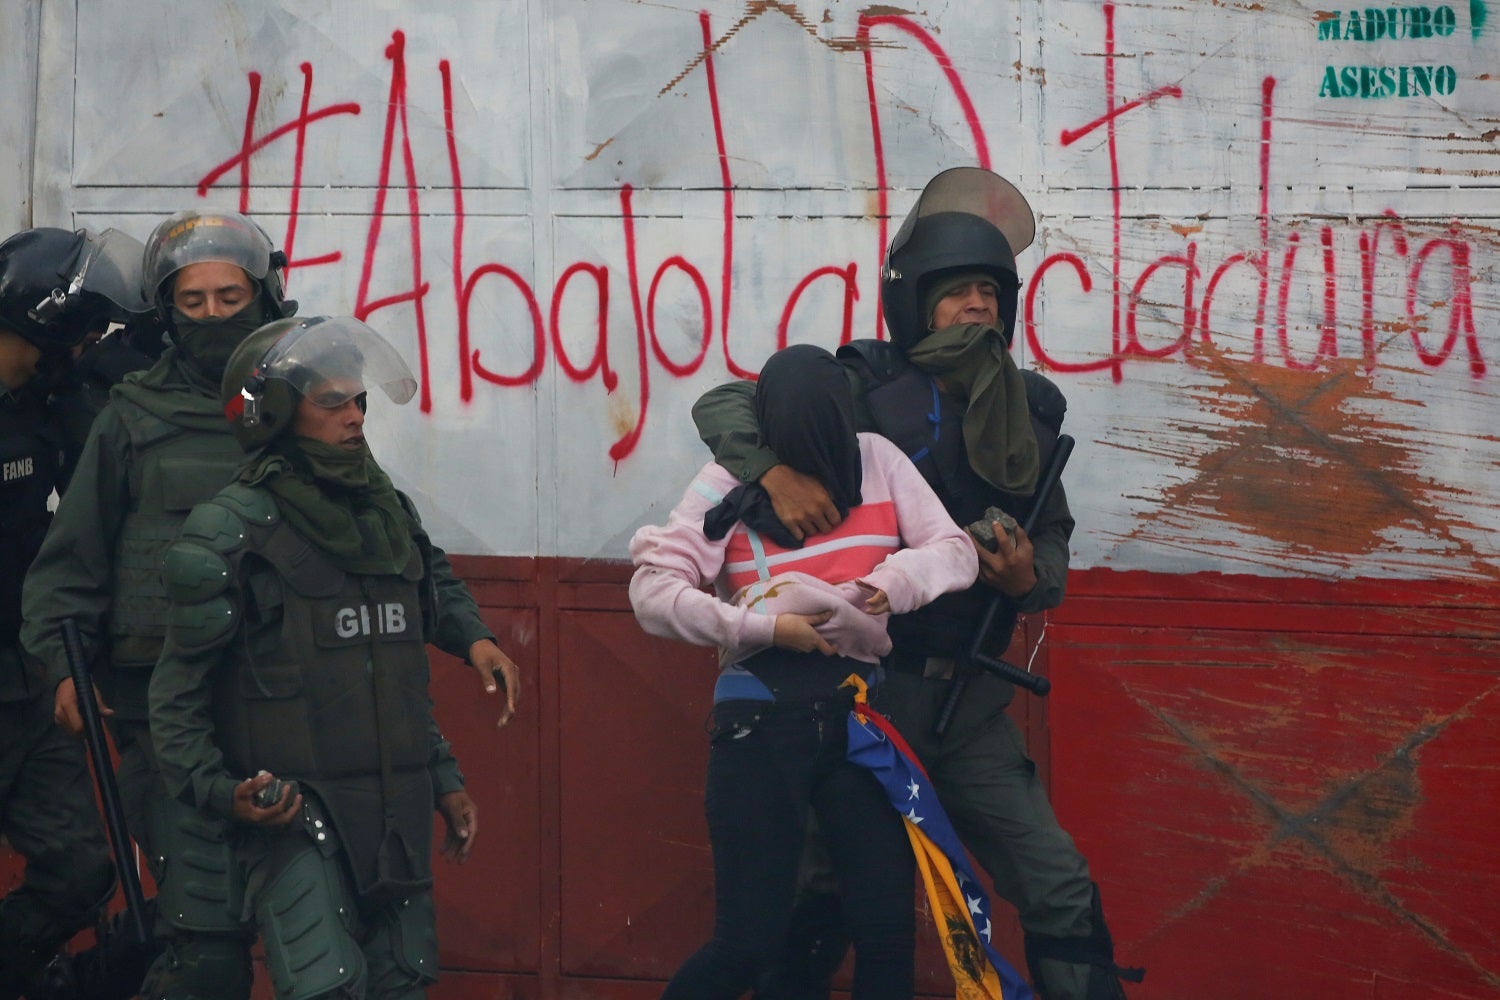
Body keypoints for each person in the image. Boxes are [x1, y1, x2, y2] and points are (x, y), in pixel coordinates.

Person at [20, 210, 520, 1000]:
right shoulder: (130, 419)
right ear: (167, 309)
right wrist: (61, 668)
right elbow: (69, 568)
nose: (213, 314)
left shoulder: (303, 406)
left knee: (339, 955)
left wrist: (469, 635)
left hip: (300, 721)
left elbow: (394, 549)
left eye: (230, 296)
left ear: (263, 294)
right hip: (171, 717)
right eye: (193, 301)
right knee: (205, 954)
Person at [691, 168, 1139, 999]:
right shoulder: (860, 386)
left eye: (989, 292)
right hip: (859, 695)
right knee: (821, 896)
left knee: (1058, 884)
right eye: (957, 292)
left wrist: (1028, 573)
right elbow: (724, 405)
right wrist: (774, 471)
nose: (977, 306)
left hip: (968, 708)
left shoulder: (1026, 414)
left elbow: (1052, 537)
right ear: (915, 302)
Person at [631, 343, 979, 1000]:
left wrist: (887, 585)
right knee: (747, 943)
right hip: (759, 717)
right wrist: (762, 628)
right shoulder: (728, 481)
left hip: (860, 718)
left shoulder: (877, 459)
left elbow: (954, 550)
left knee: (886, 930)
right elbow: (651, 592)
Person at [149, 315, 480, 998]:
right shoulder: (231, 530)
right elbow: (176, 696)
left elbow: (396, 674)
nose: (355, 415)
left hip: (396, 811)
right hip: (296, 815)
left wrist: (442, 777)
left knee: (404, 988)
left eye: (358, 399)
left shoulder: (387, 518)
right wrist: (219, 792)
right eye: (332, 402)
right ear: (273, 412)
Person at [0, 226, 148, 998]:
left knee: (83, 869)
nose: (88, 345)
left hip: (29, 672)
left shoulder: (48, 401)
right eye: (82, 330)